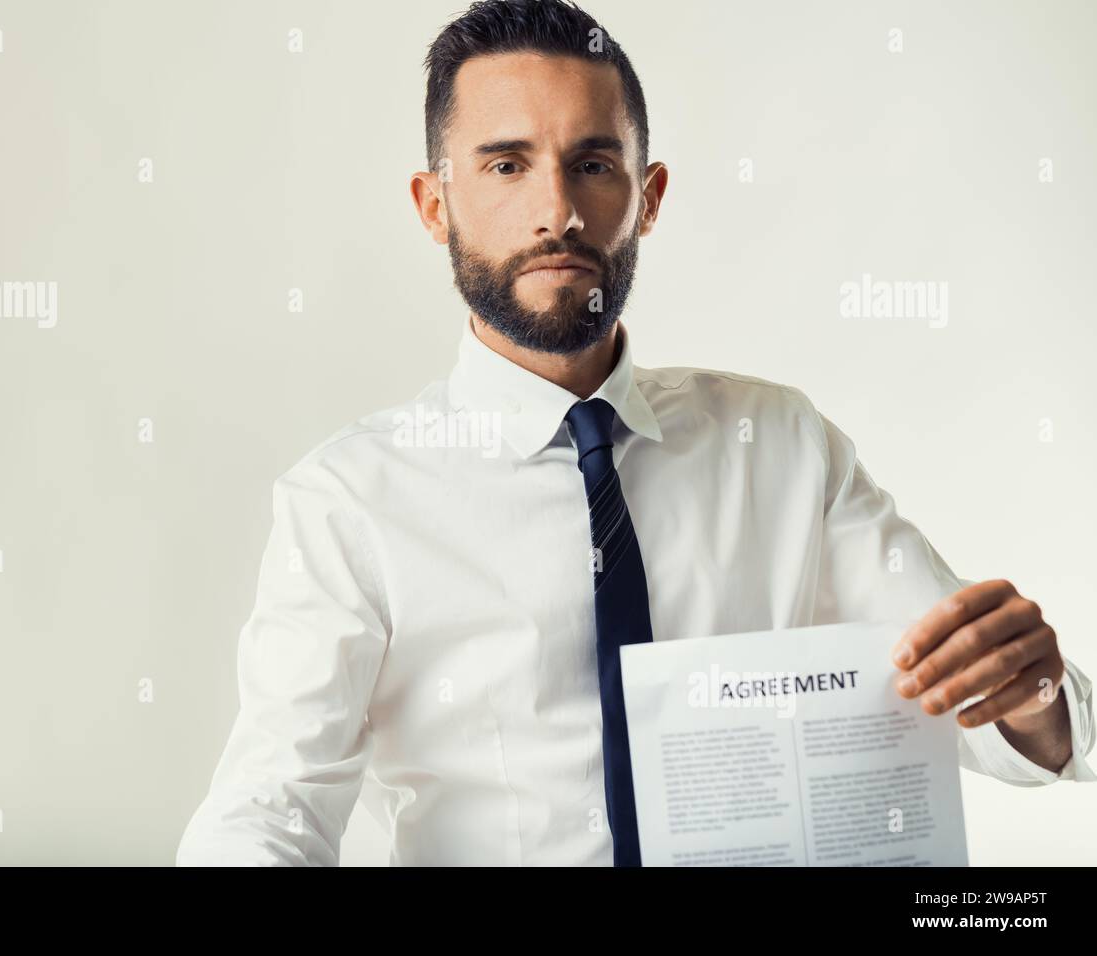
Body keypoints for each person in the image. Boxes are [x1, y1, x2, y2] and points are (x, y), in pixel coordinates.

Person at [177, 0, 1094, 866]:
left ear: (648, 196)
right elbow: (270, 805)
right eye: (505, 165)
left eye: (594, 163)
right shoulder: (348, 502)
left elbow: (987, 700)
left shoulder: (779, 444)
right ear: (433, 206)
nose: (558, 213)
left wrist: (1034, 697)